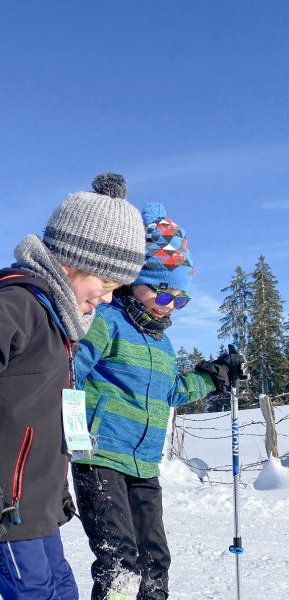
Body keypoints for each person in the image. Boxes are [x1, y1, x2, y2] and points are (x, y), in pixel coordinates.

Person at [0, 173, 146, 600]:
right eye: (106, 284)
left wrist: (56, 489)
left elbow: (39, 418)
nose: (106, 299)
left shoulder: (61, 327)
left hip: (39, 509)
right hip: (3, 504)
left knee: (64, 592)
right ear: (70, 262)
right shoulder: (19, 304)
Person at [72, 202, 240, 600]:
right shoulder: (106, 321)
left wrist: (211, 377)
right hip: (99, 457)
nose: (169, 305)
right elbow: (69, 373)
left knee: (155, 561)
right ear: (136, 281)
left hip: (144, 463)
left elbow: (168, 392)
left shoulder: (161, 342)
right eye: (163, 291)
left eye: (179, 299)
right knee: (120, 564)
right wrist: (66, 436)